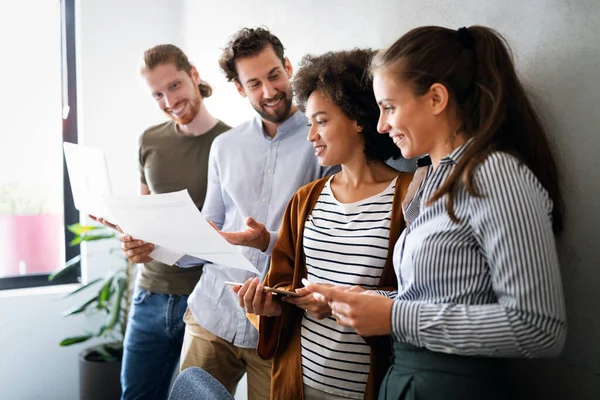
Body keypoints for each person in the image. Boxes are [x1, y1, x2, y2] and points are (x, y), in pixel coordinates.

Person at [306, 26, 568, 399]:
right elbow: (438, 297)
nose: (381, 125)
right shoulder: (431, 180)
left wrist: (394, 317)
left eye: (390, 108)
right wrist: (361, 301)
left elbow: (539, 328)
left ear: (436, 99)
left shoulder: (495, 174)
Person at [116, 27, 338, 400]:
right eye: (253, 83)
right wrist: (154, 245)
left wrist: (267, 241)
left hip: (276, 325)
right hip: (211, 313)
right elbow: (210, 230)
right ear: (239, 88)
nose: (268, 92)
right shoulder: (225, 146)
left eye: (274, 76)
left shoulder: (321, 141)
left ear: (288, 67)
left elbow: (326, 238)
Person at [234, 49, 413, 400]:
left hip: (372, 386)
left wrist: (341, 303)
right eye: (309, 122)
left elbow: (420, 301)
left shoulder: (408, 198)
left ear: (358, 118)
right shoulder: (306, 200)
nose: (310, 135)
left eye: (321, 121)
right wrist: (269, 307)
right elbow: (282, 285)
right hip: (297, 382)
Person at [94, 44, 230, 400]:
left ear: (194, 76)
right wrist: (130, 241)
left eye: (174, 86)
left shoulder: (230, 145)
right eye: (157, 93)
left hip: (202, 303)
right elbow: (144, 217)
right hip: (149, 297)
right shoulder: (150, 140)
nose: (169, 101)